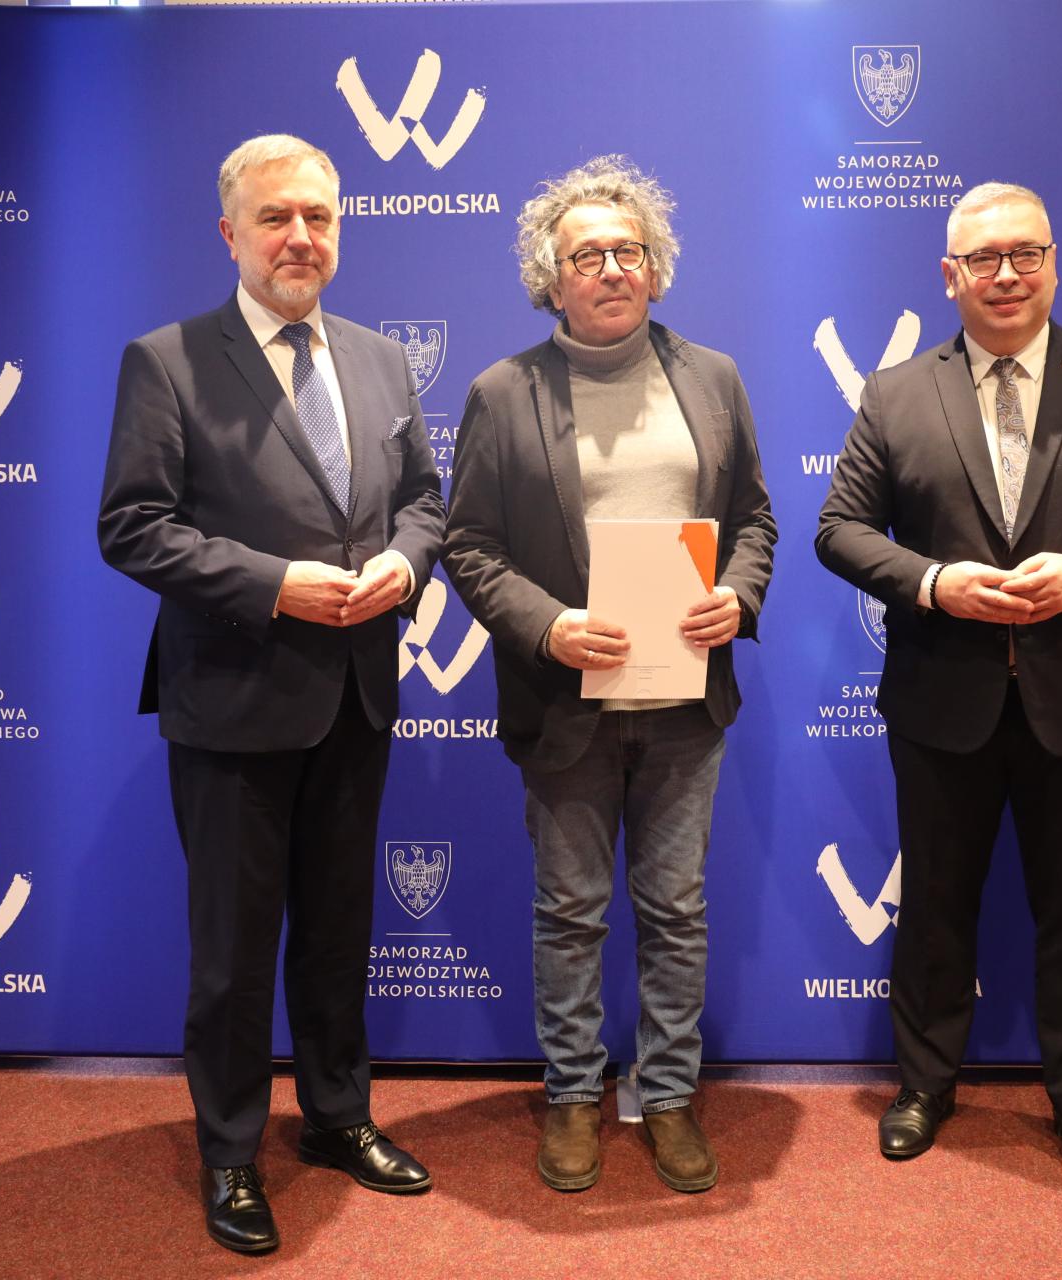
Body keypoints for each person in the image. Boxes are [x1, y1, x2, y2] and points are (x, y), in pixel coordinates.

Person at [814, 182, 1062, 1192]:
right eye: (983, 259)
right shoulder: (895, 394)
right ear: (948, 276)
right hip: (939, 698)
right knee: (935, 905)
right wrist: (932, 582)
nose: (1006, 274)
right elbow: (839, 529)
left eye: (1025, 253)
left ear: (1054, 263)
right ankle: (923, 1086)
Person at [97, 134, 444, 1254]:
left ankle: (338, 1117)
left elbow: (425, 501)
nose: (301, 237)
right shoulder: (168, 361)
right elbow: (132, 526)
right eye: (276, 217)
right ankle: (232, 1150)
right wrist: (275, 584)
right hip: (234, 699)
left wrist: (406, 564)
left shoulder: (382, 359)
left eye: (319, 217)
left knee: (340, 931)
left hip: (356, 695)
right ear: (230, 234)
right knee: (235, 952)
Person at [443, 156, 775, 1195]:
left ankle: (668, 1094)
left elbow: (755, 520)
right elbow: (469, 545)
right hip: (565, 705)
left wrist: (740, 596)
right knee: (571, 910)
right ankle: (574, 1095)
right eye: (586, 256)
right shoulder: (503, 392)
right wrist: (548, 626)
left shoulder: (712, 377)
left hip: (685, 704)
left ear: (656, 267)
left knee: (676, 910)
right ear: (552, 278)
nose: (612, 269)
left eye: (628, 250)